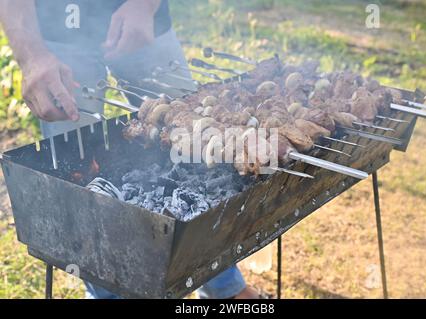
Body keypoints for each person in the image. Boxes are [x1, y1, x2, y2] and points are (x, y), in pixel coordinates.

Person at [0, 0, 260, 299]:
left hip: (144, 22)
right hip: (59, 33)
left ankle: (225, 287)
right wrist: (32, 56)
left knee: (198, 154)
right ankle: (108, 294)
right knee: (75, 180)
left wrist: (144, 6)